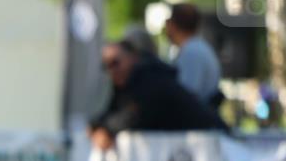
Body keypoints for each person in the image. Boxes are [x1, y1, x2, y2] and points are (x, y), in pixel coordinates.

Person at [89, 40, 227, 150]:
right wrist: (97, 126)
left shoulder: (151, 79)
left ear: (133, 57)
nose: (111, 70)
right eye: (106, 66)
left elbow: (133, 115)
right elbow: (115, 112)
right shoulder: (127, 85)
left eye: (115, 63)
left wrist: (105, 129)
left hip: (215, 146)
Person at [164, 3, 222, 107]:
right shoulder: (197, 48)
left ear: (173, 24)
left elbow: (186, 96)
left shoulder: (192, 53)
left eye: (168, 21)